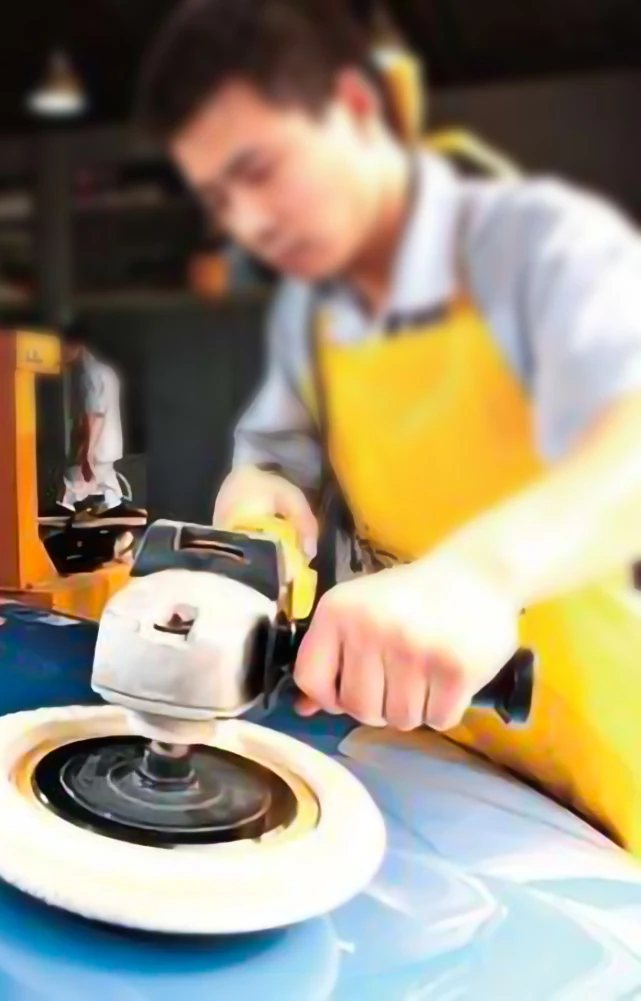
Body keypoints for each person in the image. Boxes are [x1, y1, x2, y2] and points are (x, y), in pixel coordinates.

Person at [138, 0, 641, 850]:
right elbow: (274, 463)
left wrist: (476, 578)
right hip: (436, 749)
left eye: (259, 168)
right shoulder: (313, 313)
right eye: (220, 196)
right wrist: (256, 504)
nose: (247, 223)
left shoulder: (539, 244)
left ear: (356, 109)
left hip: (609, 766)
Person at [39, 326, 147, 529]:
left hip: (97, 446)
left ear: (76, 346)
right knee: (105, 486)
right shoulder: (105, 371)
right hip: (109, 444)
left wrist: (86, 452)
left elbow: (94, 415)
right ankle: (116, 515)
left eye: (63, 349)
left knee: (74, 481)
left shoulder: (90, 375)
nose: (61, 355)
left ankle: (63, 516)